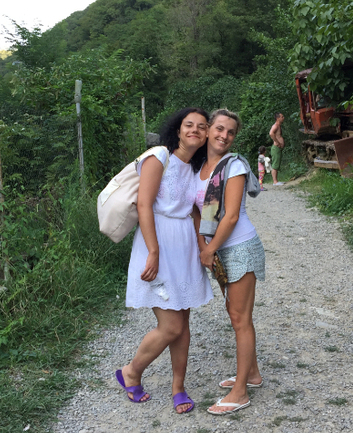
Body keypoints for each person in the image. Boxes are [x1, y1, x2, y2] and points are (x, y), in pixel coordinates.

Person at [116, 108, 213, 414]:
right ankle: (131, 371)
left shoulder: (197, 167)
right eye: (189, 125)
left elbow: (196, 211)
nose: (194, 130)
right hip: (157, 242)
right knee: (170, 326)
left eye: (202, 126)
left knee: (183, 324)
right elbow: (144, 204)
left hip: (185, 246)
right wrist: (153, 251)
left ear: (207, 134)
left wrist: (204, 248)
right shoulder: (160, 156)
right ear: (178, 129)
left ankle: (178, 387)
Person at [193, 109, 265, 415]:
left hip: (240, 248)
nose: (224, 136)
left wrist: (209, 250)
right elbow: (196, 212)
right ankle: (252, 374)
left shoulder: (233, 166)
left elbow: (232, 216)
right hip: (219, 250)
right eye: (220, 129)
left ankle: (240, 393)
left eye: (231, 132)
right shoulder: (199, 167)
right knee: (235, 313)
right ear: (209, 129)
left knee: (240, 318)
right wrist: (204, 247)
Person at [268, 112, 285, 185]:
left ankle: (276, 181)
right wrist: (277, 142)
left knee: (277, 164)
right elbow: (271, 133)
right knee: (275, 165)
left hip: (278, 148)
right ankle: (275, 182)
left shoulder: (278, 126)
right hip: (276, 148)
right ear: (278, 118)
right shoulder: (275, 126)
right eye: (282, 117)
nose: (283, 118)